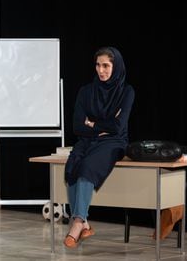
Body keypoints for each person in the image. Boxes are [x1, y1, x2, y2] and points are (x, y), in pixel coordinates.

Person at [63, 47, 135, 248]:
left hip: (115, 142)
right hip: (87, 140)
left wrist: (92, 123)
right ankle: (85, 223)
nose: (101, 70)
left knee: (87, 167)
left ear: (116, 66)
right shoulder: (86, 91)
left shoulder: (126, 91)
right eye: (98, 65)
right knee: (72, 168)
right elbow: (77, 126)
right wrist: (99, 128)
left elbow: (118, 127)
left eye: (106, 66)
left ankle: (77, 223)